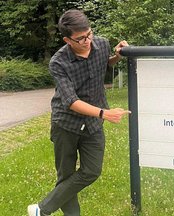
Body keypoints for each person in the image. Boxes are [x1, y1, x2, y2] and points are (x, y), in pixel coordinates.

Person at [27, 9, 130, 216]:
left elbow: (103, 65)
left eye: (89, 34)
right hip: (66, 123)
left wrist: (116, 57)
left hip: (93, 124)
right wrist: (105, 113)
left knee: (92, 171)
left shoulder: (100, 44)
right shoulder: (58, 62)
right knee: (66, 176)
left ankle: (41, 209)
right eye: (81, 38)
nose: (87, 41)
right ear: (67, 39)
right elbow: (71, 102)